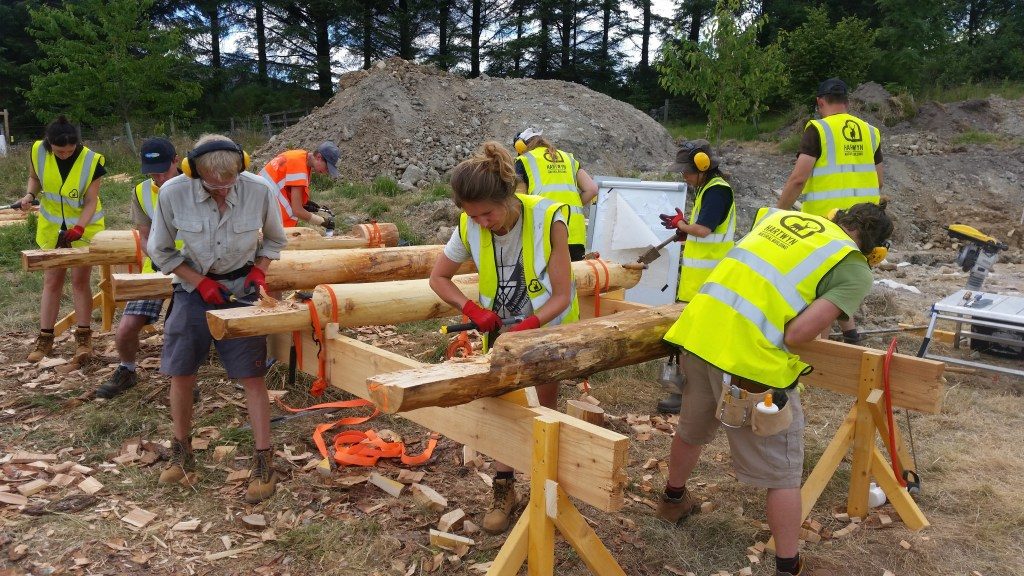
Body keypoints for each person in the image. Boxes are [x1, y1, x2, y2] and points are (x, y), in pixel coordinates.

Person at [657, 202, 893, 576]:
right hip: (749, 361)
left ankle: (672, 500)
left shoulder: (779, 217)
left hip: (699, 333)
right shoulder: (854, 267)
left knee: (693, 427)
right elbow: (797, 334)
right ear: (873, 252)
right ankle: (788, 565)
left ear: (837, 218)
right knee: (783, 472)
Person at [429, 141, 579, 534]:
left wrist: (529, 326)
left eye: (487, 213)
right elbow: (438, 278)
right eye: (472, 214)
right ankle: (504, 488)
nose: (481, 222)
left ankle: (544, 489)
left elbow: (562, 295)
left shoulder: (548, 219)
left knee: (542, 412)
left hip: (546, 333)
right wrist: (472, 310)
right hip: (501, 336)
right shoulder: (469, 223)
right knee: (500, 409)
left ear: (509, 198)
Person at [148, 134, 287, 503]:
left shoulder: (257, 189)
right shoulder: (173, 193)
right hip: (193, 290)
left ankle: (263, 459)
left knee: (252, 374)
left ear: (240, 169)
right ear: (195, 173)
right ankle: (181, 451)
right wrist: (198, 282)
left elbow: (274, 239)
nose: (224, 192)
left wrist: (260, 271)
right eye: (215, 185)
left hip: (242, 289)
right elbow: (159, 249)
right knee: (181, 371)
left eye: (230, 184)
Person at [776, 78, 884, 344]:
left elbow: (798, 179)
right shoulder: (870, 132)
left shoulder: (818, 130)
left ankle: (817, 354)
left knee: (820, 287)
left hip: (828, 224)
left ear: (820, 102)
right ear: (847, 102)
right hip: (866, 226)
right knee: (843, 280)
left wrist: (777, 214)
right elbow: (879, 180)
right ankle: (850, 335)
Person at [94, 138, 181, 399]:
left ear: (176, 161)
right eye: (152, 172)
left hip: (195, 269)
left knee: (180, 326)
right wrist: (160, 259)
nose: (158, 177)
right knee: (126, 327)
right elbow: (144, 236)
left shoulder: (194, 186)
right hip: (156, 266)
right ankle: (127, 369)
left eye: (163, 171)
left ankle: (185, 379)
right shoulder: (141, 191)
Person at [655, 139, 736, 414]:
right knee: (689, 340)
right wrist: (683, 231)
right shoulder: (706, 190)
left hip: (709, 281)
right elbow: (701, 234)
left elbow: (703, 231)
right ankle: (687, 393)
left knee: (696, 341)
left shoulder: (717, 192)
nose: (684, 176)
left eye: (687, 171)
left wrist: (683, 226)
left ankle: (688, 395)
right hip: (697, 281)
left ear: (703, 166)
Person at [17, 116, 106, 364]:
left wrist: (79, 227)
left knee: (80, 281)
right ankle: (45, 338)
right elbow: (35, 178)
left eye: (69, 150)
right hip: (52, 228)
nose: (65, 155)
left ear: (76, 145)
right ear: (49, 145)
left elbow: (90, 201)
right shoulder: (38, 151)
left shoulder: (92, 161)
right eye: (59, 151)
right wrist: (29, 194)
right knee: (52, 280)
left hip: (83, 228)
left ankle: (83, 337)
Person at [512, 127, 598, 261]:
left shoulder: (524, 160)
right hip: (575, 234)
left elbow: (519, 199)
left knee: (546, 280)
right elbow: (592, 189)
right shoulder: (568, 158)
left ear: (521, 146)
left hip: (545, 232)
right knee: (575, 278)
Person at [258, 141, 340, 230]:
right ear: (319, 157)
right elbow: (297, 211)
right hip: (265, 213)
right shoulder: (299, 168)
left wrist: (304, 204)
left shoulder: (299, 156)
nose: (326, 172)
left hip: (260, 205)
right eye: (327, 168)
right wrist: (323, 221)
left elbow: (283, 187)